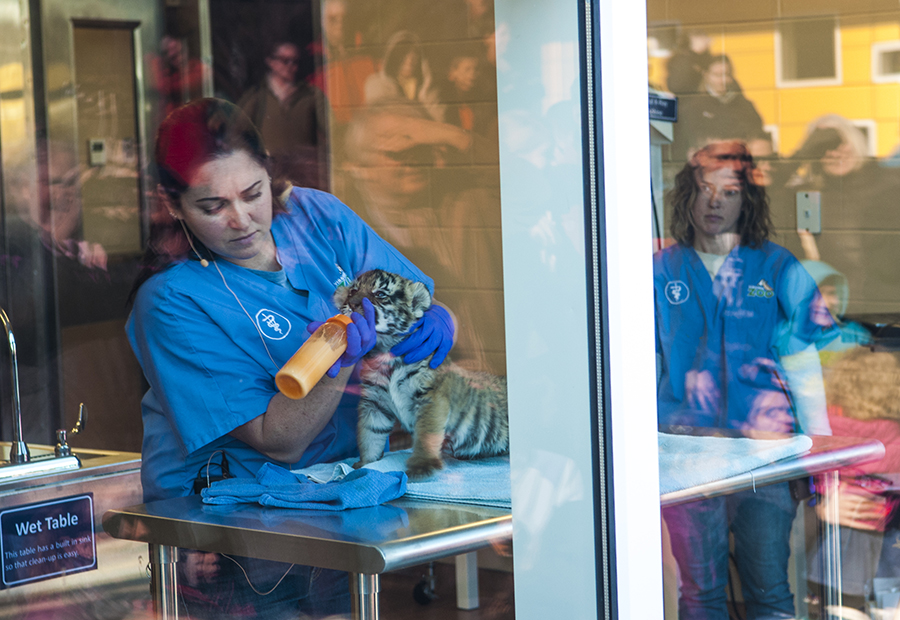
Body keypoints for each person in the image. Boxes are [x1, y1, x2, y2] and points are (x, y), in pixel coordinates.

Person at [126, 98, 454, 618]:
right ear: (173, 204)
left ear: (270, 174)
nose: (241, 220)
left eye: (253, 194)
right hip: (235, 533)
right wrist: (340, 360)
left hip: (338, 502)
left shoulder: (316, 217)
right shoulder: (170, 300)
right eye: (213, 206)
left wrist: (437, 318)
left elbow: (412, 299)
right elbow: (277, 439)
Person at [655, 140, 839, 619]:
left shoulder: (777, 267)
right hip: (687, 452)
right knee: (699, 592)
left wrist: (815, 451)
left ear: (747, 199)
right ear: (687, 196)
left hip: (765, 451)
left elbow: (803, 362)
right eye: (704, 189)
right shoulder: (659, 271)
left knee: (768, 588)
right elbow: (640, 365)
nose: (714, 202)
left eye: (730, 192)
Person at [238, 42, 329, 190]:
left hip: (304, 175)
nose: (291, 66)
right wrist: (254, 159)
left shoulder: (311, 95)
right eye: (285, 60)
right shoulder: (257, 97)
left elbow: (331, 131)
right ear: (271, 62)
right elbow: (237, 131)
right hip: (270, 174)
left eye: (295, 61)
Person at [669, 55, 767, 162]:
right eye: (717, 75)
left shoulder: (745, 106)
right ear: (706, 75)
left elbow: (758, 137)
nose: (723, 80)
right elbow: (690, 142)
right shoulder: (694, 107)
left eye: (726, 74)